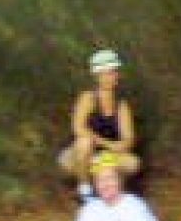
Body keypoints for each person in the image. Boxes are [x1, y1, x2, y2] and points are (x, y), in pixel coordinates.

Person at [60, 49, 140, 200]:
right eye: (108, 72)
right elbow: (77, 127)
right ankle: (84, 189)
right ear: (98, 76)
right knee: (84, 142)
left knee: (133, 163)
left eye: (114, 72)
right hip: (79, 155)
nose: (113, 76)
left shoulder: (121, 104)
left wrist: (117, 147)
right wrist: (106, 143)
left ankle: (109, 192)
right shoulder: (88, 98)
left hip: (105, 156)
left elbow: (128, 139)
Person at [71, 155, 158, 221]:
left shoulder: (136, 209)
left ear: (120, 180)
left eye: (110, 178)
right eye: (100, 180)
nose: (105, 184)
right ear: (95, 184)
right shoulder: (89, 210)